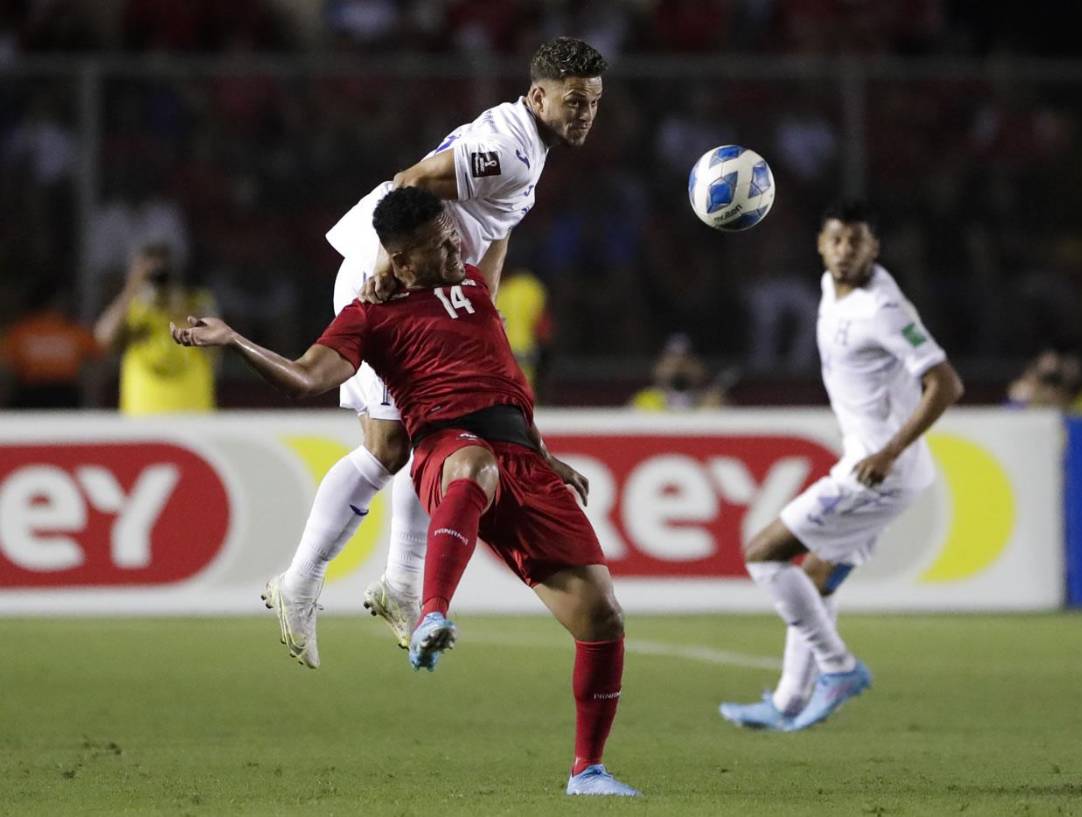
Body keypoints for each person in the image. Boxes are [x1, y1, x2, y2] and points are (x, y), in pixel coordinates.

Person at [170, 186, 638, 797]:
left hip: (522, 457)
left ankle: (588, 771)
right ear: (402, 261)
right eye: (439, 245)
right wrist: (235, 340)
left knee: (602, 616)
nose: (455, 247)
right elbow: (305, 378)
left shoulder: (474, 286)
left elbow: (501, 366)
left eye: (452, 235)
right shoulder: (371, 316)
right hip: (447, 450)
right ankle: (430, 611)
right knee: (473, 466)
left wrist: (545, 455)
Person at [265, 36, 607, 669]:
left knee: (431, 433)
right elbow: (410, 182)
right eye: (574, 101)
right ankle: (301, 581)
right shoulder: (512, 150)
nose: (585, 113)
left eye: (592, 102)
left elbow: (495, 229)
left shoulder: (527, 149)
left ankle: (399, 585)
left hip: (435, 285)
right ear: (539, 96)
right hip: (394, 276)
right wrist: (382, 271)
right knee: (389, 446)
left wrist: (483, 310)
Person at [719, 201, 963, 731]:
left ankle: (838, 668)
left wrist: (888, 451)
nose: (846, 250)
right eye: (837, 240)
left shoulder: (883, 308)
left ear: (875, 248)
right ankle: (788, 701)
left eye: (857, 241)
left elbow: (946, 384)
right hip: (881, 467)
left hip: (878, 473)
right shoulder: (831, 288)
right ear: (820, 245)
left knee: (762, 555)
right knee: (817, 578)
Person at [93, 242, 218, 415]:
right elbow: (103, 337)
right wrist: (131, 288)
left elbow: (218, 343)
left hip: (192, 412)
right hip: (143, 413)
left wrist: (177, 303)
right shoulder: (133, 308)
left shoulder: (197, 302)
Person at [0, 281, 98, 409]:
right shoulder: (72, 331)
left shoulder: (19, 331)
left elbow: (6, 370)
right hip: (38, 393)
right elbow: (97, 358)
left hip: (55, 393)